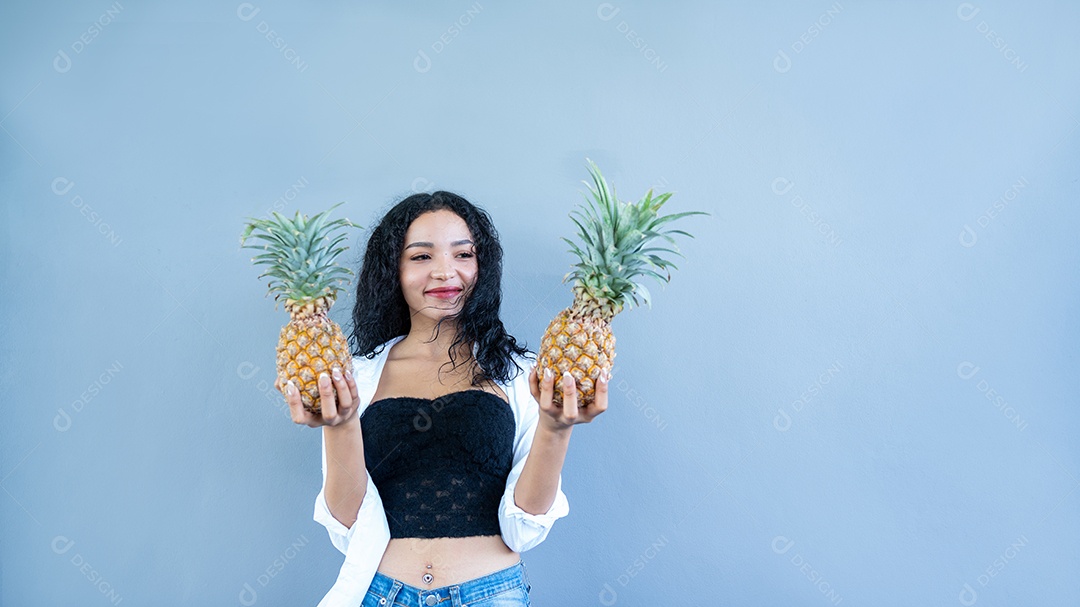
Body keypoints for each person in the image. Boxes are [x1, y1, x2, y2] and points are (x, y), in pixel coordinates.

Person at [279, 191, 609, 606]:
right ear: (393, 270)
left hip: (491, 595)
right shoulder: (357, 376)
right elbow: (347, 522)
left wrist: (557, 428)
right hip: (382, 595)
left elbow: (523, 527)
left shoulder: (522, 373)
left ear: (481, 266)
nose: (444, 272)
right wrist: (339, 424)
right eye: (421, 257)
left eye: (463, 254)